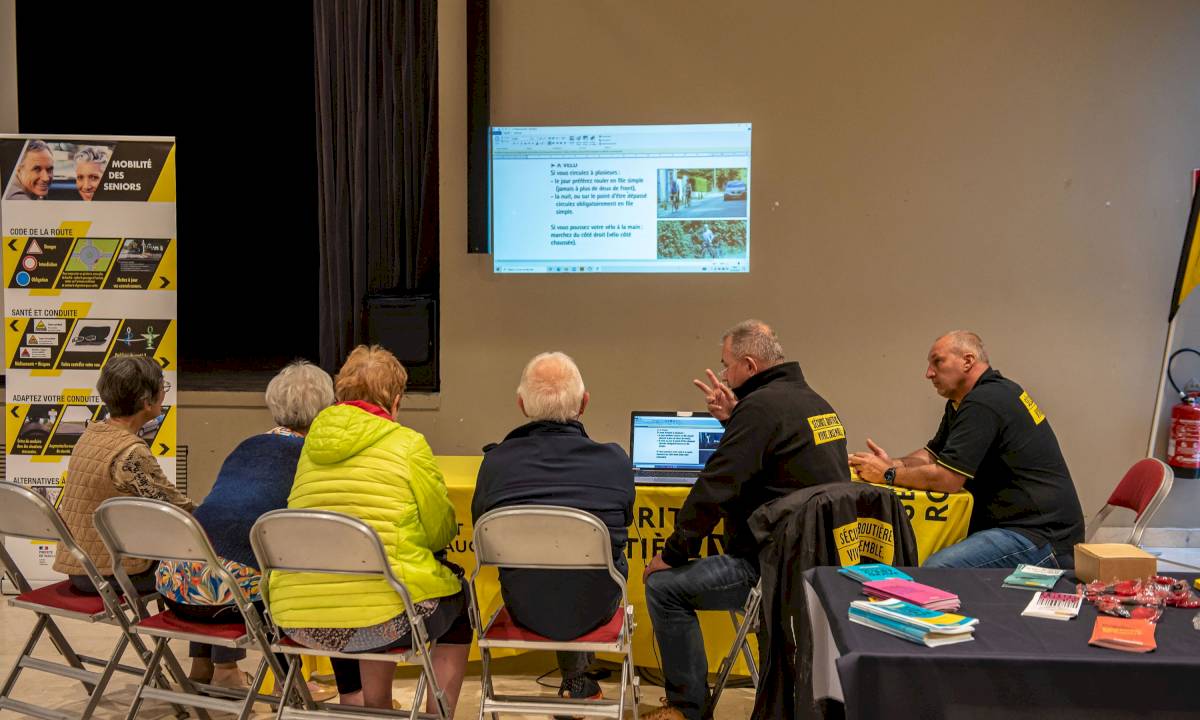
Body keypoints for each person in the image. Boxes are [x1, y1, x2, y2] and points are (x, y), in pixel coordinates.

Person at [641, 320, 850, 720]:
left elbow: (716, 486)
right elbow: (773, 468)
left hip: (769, 569)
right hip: (815, 567)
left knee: (664, 587)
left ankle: (686, 708)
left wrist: (672, 553)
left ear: (750, 366)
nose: (723, 375)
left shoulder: (760, 408)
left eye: (726, 365)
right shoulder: (815, 403)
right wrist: (732, 421)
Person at [269, 345, 470, 713]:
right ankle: (438, 714)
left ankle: (377, 709)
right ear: (395, 400)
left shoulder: (310, 446)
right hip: (380, 623)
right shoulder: (408, 444)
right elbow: (441, 531)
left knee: (376, 589)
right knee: (454, 603)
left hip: (297, 621)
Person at [154, 360, 334, 690]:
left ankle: (203, 666)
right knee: (287, 574)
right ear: (326, 409)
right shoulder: (309, 459)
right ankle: (286, 682)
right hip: (226, 603)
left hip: (172, 586)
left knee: (221, 551)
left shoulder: (247, 446)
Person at [472, 352, 634, 710]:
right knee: (601, 565)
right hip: (597, 609)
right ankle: (578, 678)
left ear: (521, 405)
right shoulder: (614, 462)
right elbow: (624, 527)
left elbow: (479, 535)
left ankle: (577, 679)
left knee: (549, 569)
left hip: (524, 607)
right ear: (584, 403)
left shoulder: (495, 466)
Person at [849, 330, 1084, 569]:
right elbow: (932, 454)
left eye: (937, 361)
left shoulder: (985, 401)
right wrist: (893, 464)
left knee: (937, 569)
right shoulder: (965, 401)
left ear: (968, 361)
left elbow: (948, 479)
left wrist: (888, 475)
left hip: (1041, 536)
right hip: (1021, 528)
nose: (929, 373)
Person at [53, 355, 194, 593]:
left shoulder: (91, 434)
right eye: (163, 388)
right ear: (146, 401)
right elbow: (177, 509)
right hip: (114, 573)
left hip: (81, 566)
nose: (164, 394)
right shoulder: (130, 452)